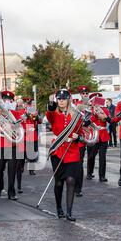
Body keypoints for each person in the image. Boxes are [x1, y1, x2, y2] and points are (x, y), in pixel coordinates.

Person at [46, 89, 82, 222]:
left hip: (72, 150)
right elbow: (49, 113)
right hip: (58, 150)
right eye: (59, 98)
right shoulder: (54, 113)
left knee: (71, 180)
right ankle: (58, 208)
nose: (61, 100)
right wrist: (51, 103)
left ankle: (69, 212)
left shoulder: (77, 115)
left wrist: (78, 137)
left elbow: (81, 131)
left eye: (63, 98)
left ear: (69, 99)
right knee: (59, 182)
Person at [0, 91, 22, 201]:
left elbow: (21, 128)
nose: (6, 102)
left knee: (12, 169)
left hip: (12, 144)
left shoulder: (16, 114)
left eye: (8, 100)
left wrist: (13, 127)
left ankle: (11, 192)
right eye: (4, 100)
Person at [87, 93, 111, 183]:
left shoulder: (105, 109)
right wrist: (94, 114)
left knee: (102, 157)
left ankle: (102, 176)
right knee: (91, 156)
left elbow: (109, 120)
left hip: (103, 135)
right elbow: (87, 122)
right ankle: (89, 172)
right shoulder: (89, 110)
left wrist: (104, 116)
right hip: (94, 135)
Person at [73, 86, 90, 197]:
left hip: (83, 138)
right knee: (74, 164)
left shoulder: (91, 105)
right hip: (74, 136)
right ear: (80, 94)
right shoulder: (76, 105)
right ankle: (72, 185)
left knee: (80, 163)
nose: (85, 95)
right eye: (83, 93)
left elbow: (91, 120)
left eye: (86, 93)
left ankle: (78, 188)